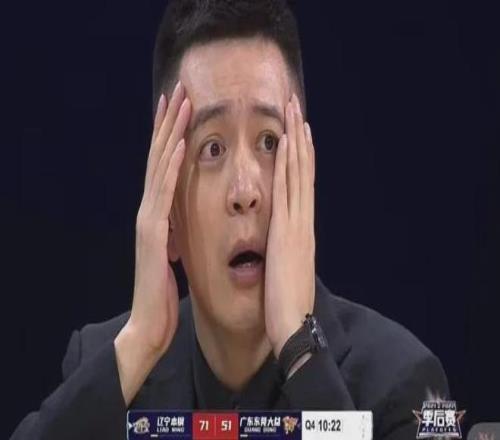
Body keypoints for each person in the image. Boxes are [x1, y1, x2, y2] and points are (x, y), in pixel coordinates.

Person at [10, 1, 449, 439]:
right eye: (213, 148)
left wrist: (300, 349)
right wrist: (141, 342)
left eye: (269, 142)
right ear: (168, 214)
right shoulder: (110, 371)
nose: (244, 192)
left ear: (307, 174)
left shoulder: (406, 384)